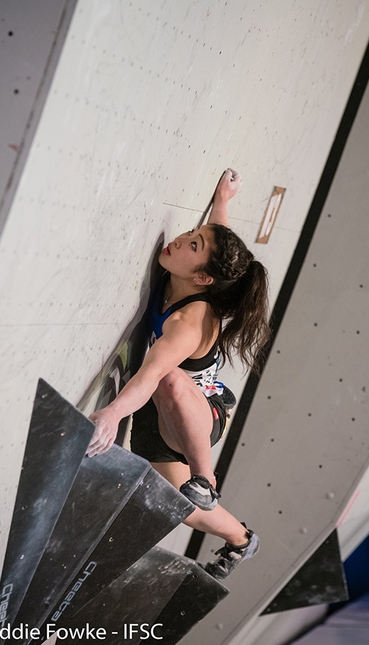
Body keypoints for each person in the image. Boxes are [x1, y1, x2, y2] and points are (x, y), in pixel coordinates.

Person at [87, 168, 271, 579]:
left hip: (199, 414)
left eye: (192, 244)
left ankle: (206, 478)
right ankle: (242, 540)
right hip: (161, 414)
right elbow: (215, 243)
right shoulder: (199, 275)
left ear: (202, 278)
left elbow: (152, 376)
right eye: (190, 234)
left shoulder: (189, 321)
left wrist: (112, 415)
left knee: (170, 379)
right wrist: (222, 202)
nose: (180, 241)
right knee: (183, 509)